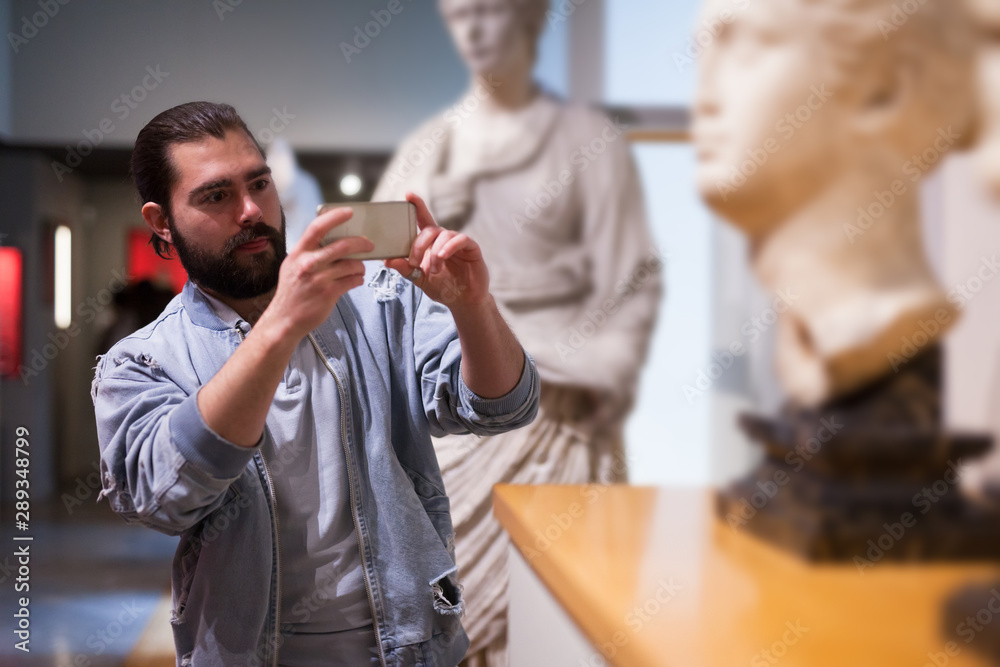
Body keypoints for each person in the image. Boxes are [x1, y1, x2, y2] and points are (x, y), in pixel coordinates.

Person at [91, 101, 540, 667]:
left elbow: (504, 408)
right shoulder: (143, 362)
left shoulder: (377, 299)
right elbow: (162, 498)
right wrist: (280, 325)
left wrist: (473, 306)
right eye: (216, 195)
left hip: (409, 648)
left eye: (260, 183)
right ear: (161, 221)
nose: (252, 210)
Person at [373, 2, 661, 664]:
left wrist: (600, 369)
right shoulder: (427, 146)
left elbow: (632, 278)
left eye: (490, 10)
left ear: (531, 17)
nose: (472, 28)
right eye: (458, 13)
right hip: (453, 413)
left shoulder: (586, 140)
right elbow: (383, 288)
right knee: (451, 614)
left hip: (557, 408)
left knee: (549, 620)